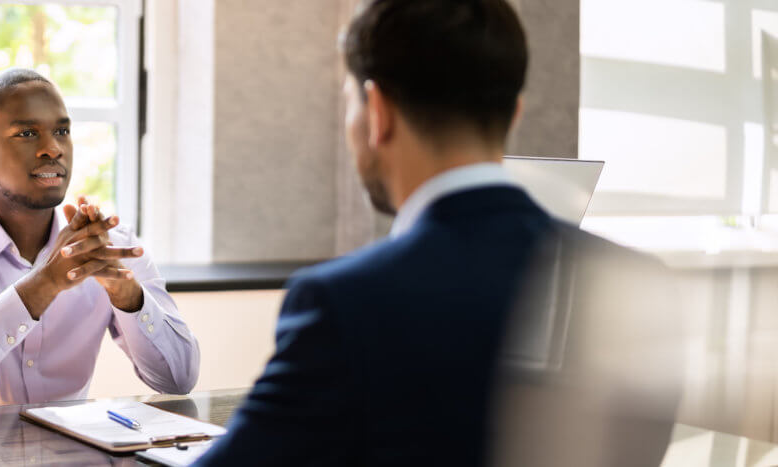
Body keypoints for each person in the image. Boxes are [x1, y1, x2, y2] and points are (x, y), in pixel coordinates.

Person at [193, 1, 678, 465]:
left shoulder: (344, 304)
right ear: (514, 113)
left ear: (377, 112)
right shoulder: (640, 282)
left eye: (349, 104)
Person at [0, 69, 200, 409]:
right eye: (27, 133)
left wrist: (128, 295)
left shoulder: (109, 246)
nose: (52, 149)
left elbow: (179, 380)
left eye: (62, 131)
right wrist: (43, 284)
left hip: (76, 458)